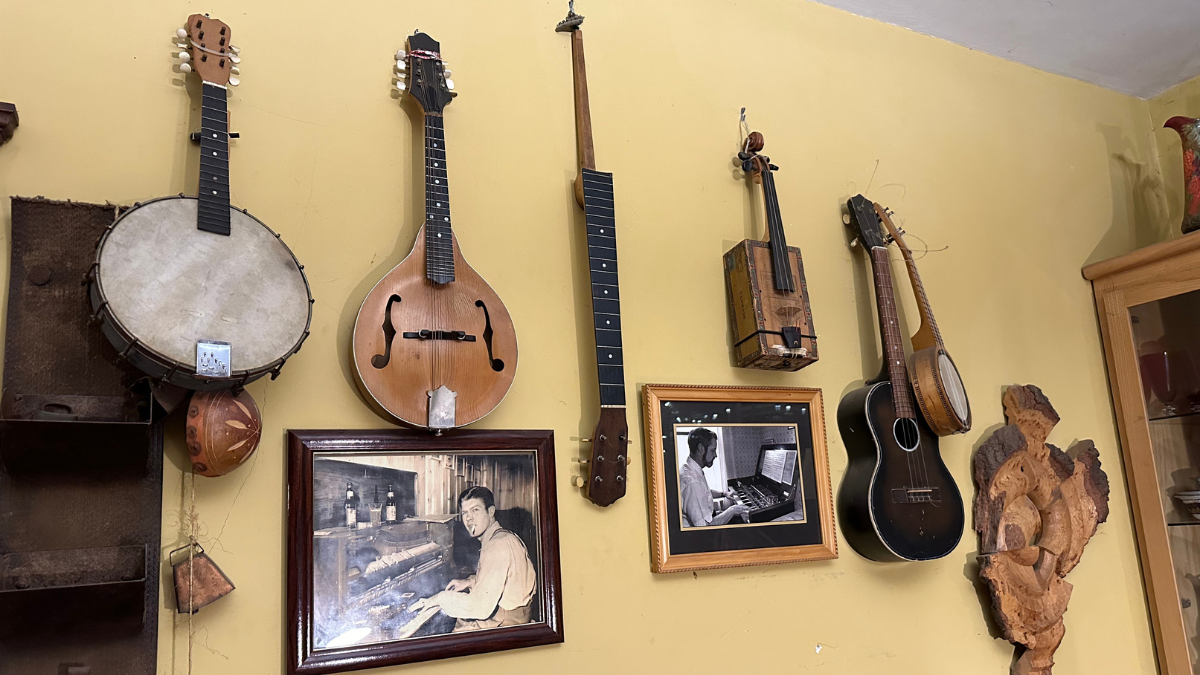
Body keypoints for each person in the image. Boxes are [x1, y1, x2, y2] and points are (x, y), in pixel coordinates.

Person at [409, 486, 536, 632]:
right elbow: (503, 579)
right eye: (464, 513)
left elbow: (480, 607)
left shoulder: (497, 545)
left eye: (475, 510)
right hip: (515, 617)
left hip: (505, 624)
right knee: (458, 620)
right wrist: (469, 582)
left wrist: (439, 598)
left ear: (490, 511)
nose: (469, 518)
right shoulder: (505, 536)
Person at [680, 428, 750, 527]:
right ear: (701, 448)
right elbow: (704, 527)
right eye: (713, 450)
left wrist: (723, 494)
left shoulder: (690, 470)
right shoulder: (692, 482)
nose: (716, 455)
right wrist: (732, 510)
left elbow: (704, 492)